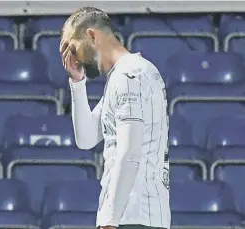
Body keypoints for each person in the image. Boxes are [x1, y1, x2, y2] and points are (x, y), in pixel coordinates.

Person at [60, 7, 170, 229]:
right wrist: (77, 82)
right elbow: (87, 139)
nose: (72, 56)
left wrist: (110, 221)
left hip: (134, 217)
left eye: (73, 47)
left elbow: (130, 154)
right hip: (130, 217)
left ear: (91, 36)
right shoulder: (124, 76)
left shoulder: (131, 75)